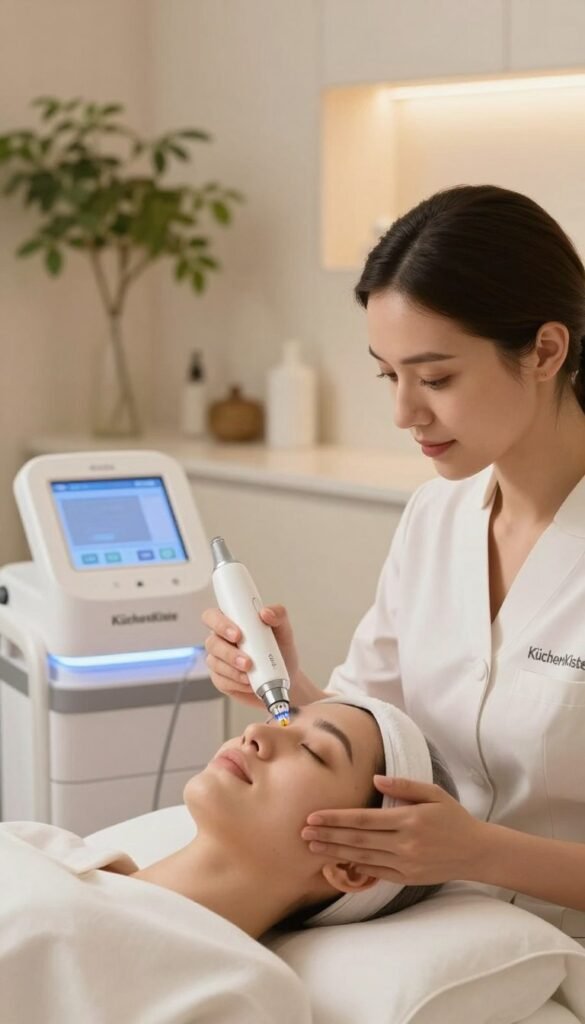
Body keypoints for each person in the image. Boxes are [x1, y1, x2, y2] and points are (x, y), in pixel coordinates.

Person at [203, 184, 585, 946]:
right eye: (389, 375)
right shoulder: (434, 519)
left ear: (544, 351)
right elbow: (376, 727)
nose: (404, 413)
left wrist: (481, 852)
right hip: (427, 926)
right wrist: (285, 684)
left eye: (435, 378)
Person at [0, 693, 458, 1024]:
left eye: (314, 751)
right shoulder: (37, 843)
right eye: (281, 722)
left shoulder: (242, 992)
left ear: (353, 866)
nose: (255, 732)